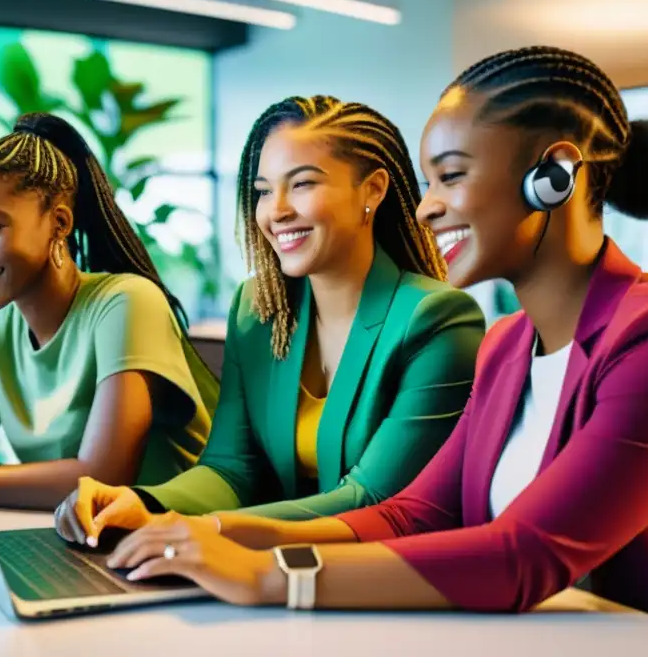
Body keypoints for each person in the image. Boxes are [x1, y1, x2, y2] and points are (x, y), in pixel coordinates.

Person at [98, 47, 648, 630]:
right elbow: (416, 514)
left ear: (552, 175)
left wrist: (273, 576)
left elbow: (523, 557)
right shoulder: (507, 346)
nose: (426, 209)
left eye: (452, 177)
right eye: (428, 182)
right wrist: (208, 532)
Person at [55, 95, 485, 544]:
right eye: (263, 191)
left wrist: (198, 529)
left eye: (301, 185)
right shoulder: (258, 308)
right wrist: (143, 503)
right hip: (273, 572)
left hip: (390, 578)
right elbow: (231, 468)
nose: (275, 210)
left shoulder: (436, 319)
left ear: (373, 190)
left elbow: (372, 497)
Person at [0, 112, 219, 510]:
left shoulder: (125, 302)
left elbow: (102, 478)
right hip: (78, 539)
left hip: (180, 540)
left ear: (59, 223)